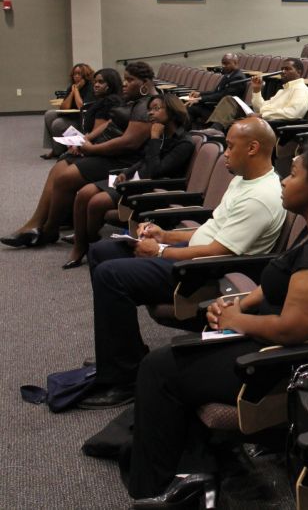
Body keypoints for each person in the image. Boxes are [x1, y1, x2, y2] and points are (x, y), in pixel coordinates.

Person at [126, 145, 308, 503]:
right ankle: (191, 468)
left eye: (293, 174)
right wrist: (233, 304)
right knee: (176, 358)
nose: (284, 182)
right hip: (273, 341)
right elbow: (272, 286)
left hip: (292, 361)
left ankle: (153, 489)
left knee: (159, 369)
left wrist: (237, 320)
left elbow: (294, 329)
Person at [76, 116, 286, 409]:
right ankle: (122, 352)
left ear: (252, 148)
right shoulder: (243, 180)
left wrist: (160, 252)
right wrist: (166, 235)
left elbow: (217, 251)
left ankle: (123, 378)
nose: (225, 152)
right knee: (101, 251)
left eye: (230, 146)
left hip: (208, 274)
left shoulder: (261, 198)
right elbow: (209, 228)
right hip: (194, 252)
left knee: (111, 275)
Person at [1, 62, 157, 248]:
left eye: (130, 80)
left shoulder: (149, 105)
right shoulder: (135, 98)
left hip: (123, 160)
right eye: (124, 79)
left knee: (65, 178)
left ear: (145, 82)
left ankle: (50, 229)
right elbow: (110, 124)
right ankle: (35, 223)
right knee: (59, 167)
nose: (124, 83)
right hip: (108, 150)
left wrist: (91, 149)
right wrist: (85, 140)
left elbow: (129, 142)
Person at [63, 94, 195, 269]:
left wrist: (154, 138)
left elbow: (154, 171)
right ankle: (85, 239)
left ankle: (83, 244)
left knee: (96, 202)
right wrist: (126, 172)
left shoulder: (184, 142)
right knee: (84, 193)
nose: (151, 113)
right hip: (135, 179)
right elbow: (143, 161)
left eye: (157, 108)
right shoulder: (160, 133)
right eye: (150, 109)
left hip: (151, 187)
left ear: (171, 111)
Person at [203, 58, 308, 132]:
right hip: (263, 121)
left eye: (288, 69)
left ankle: (214, 132)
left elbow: (293, 114)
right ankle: (214, 130)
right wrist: (256, 91)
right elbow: (260, 108)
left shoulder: (302, 90)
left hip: (273, 127)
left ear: (299, 72)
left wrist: (262, 116)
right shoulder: (282, 91)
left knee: (230, 117)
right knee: (230, 100)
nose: (283, 72)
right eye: (282, 69)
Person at [41, 63, 96, 159]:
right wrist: (72, 92)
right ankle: (56, 148)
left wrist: (76, 92)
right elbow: (64, 107)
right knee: (49, 114)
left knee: (58, 124)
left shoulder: (90, 87)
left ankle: (57, 151)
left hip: (83, 119)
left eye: (79, 74)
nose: (76, 76)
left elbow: (81, 107)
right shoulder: (72, 86)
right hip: (72, 115)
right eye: (75, 74)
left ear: (85, 75)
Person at [185, 53, 248, 125]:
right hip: (217, 106)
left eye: (227, 64)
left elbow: (223, 96)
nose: (223, 66)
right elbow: (216, 92)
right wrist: (200, 94)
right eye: (223, 64)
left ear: (235, 63)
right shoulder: (228, 75)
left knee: (192, 108)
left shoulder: (238, 78)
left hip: (225, 111)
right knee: (192, 105)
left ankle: (187, 131)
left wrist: (200, 99)